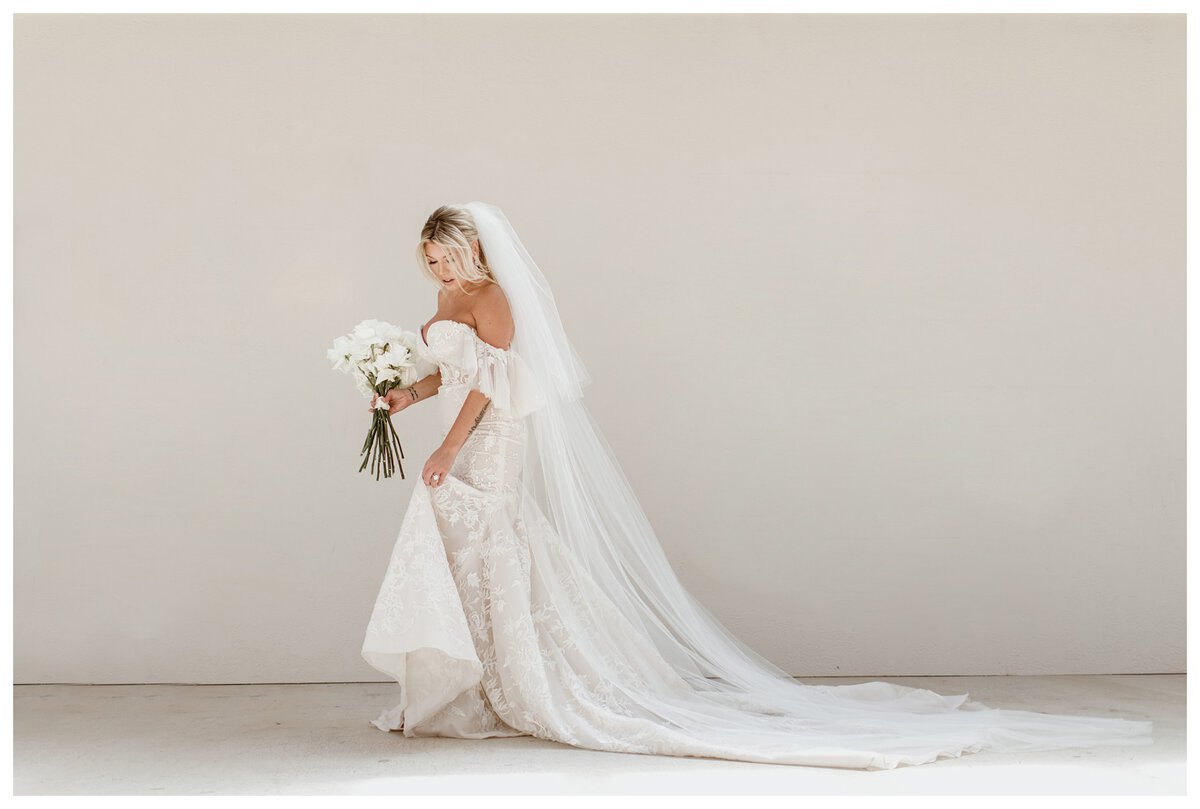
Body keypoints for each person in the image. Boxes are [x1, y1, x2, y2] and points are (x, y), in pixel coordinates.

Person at [360, 201, 1153, 770]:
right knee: (460, 549)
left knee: (489, 542)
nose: (436, 271)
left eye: (445, 259)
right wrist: (402, 396)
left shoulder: (494, 298)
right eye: (428, 262)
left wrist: (452, 446)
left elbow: (494, 386)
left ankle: (518, 682)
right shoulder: (445, 303)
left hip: (489, 440)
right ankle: (466, 687)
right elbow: (449, 373)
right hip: (451, 436)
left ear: (471, 252)